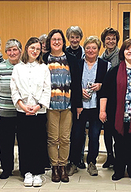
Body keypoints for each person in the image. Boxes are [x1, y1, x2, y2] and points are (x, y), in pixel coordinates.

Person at [43, 29, 82, 183]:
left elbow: (77, 83)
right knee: (53, 138)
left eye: (59, 39)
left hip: (67, 105)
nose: (57, 42)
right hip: (50, 105)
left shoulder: (71, 59)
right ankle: (54, 167)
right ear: (49, 42)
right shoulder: (44, 58)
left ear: (63, 42)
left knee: (65, 138)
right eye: (54, 39)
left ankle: (63, 166)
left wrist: (78, 104)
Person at [10, 37, 51, 187]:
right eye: (32, 48)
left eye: (38, 49)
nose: (35, 51)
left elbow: (47, 90)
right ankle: (26, 172)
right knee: (24, 142)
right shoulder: (18, 68)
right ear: (27, 48)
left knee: (38, 142)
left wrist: (38, 106)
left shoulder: (44, 68)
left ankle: (37, 172)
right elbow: (14, 90)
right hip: (23, 111)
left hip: (39, 111)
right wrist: (22, 106)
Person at [101, 38, 131, 181]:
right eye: (127, 48)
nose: (130, 51)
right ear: (123, 52)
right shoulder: (114, 70)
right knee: (119, 143)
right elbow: (104, 92)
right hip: (117, 114)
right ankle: (119, 169)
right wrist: (102, 111)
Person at [68, 36, 110, 177]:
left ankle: (91, 162)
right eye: (88, 48)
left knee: (94, 135)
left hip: (97, 107)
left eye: (94, 48)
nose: (91, 50)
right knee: (77, 135)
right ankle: (73, 162)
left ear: (99, 50)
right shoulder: (77, 64)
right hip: (80, 107)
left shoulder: (105, 65)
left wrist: (101, 85)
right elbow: (72, 84)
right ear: (84, 49)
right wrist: (79, 92)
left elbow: (109, 86)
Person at [0, 39, 22, 179]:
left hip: (21, 111)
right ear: (6, 52)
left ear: (20, 51)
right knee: (4, 142)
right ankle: (7, 169)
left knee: (23, 142)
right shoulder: (0, 67)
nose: (12, 52)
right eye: (9, 50)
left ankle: (24, 168)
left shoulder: (24, 67)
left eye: (15, 49)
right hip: (3, 111)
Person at [99, 27, 120, 167]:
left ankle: (118, 157)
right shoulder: (102, 56)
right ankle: (110, 156)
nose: (110, 41)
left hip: (118, 97)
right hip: (105, 96)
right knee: (107, 130)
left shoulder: (120, 56)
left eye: (113, 38)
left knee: (117, 130)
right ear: (104, 41)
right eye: (108, 38)